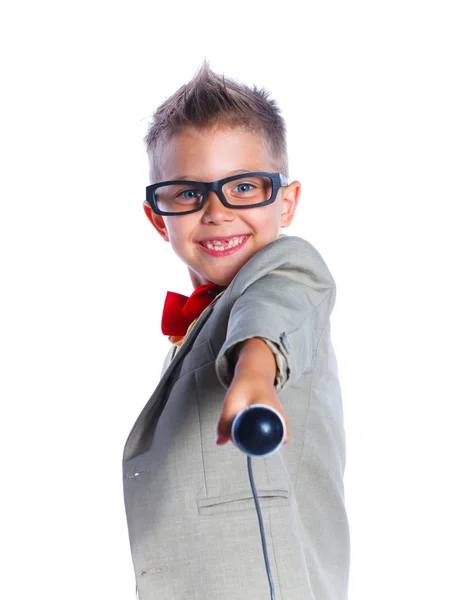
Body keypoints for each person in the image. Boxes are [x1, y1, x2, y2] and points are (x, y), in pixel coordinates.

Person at [122, 62, 350, 599]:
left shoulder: (291, 271)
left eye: (244, 187)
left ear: (286, 201)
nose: (218, 213)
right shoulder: (204, 315)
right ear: (160, 218)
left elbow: (269, 315)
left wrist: (255, 374)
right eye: (187, 193)